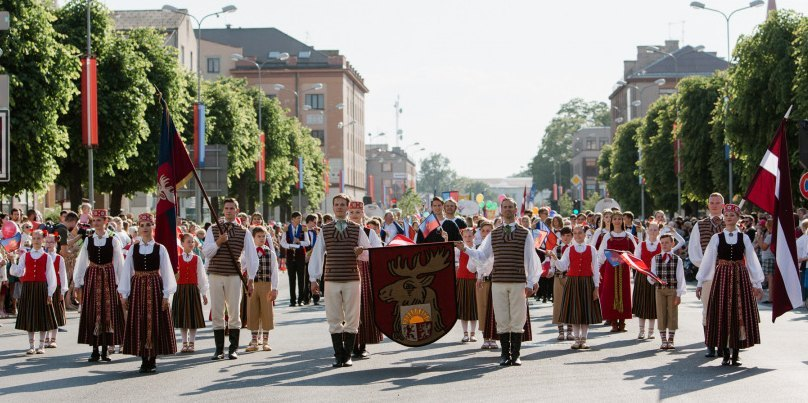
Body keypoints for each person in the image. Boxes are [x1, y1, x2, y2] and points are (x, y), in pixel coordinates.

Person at [462, 197, 540, 366]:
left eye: (510, 207)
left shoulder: (524, 233)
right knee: (502, 317)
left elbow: (531, 259)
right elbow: (483, 257)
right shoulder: (493, 234)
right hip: (498, 281)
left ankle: (516, 354)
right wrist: (466, 250)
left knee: (518, 318)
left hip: (518, 280)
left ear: (515, 209)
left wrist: (531, 282)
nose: (507, 210)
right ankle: (505, 354)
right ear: (501, 210)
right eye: (504, 207)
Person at [696, 204, 763, 366]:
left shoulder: (744, 237)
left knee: (738, 312)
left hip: (740, 276)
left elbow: (752, 261)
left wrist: (757, 283)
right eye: (726, 215)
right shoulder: (716, 238)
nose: (728, 217)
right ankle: (725, 353)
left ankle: (736, 353)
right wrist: (700, 282)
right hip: (723, 276)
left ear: (737, 218)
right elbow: (708, 261)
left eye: (732, 215)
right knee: (722, 312)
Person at [308, 194, 371, 368]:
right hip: (332, 278)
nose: (339, 207)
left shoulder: (357, 228)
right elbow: (317, 255)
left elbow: (369, 253)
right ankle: (338, 355)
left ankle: (348, 355)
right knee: (333, 317)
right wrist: (314, 278)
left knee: (352, 317)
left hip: (351, 277)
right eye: (336, 204)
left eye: (343, 204)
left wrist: (361, 252)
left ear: (348, 207)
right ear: (333, 207)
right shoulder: (325, 229)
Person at [118, 213, 177, 373]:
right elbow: (126, 271)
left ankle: (153, 357)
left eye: (148, 225)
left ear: (153, 227)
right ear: (138, 228)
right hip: (137, 287)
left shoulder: (160, 248)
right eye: (142, 225)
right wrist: (124, 293)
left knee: (155, 319)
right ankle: (144, 357)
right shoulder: (133, 248)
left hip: (155, 286)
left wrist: (166, 294)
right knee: (140, 319)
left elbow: (166, 271)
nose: (145, 228)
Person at [202, 198, 259, 361]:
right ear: (223, 210)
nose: (228, 211)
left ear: (236, 210)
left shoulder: (244, 231)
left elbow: (251, 256)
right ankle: (219, 349)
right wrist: (219, 242)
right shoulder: (213, 229)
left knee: (234, 312)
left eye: (232, 208)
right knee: (218, 312)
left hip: (234, 275)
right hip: (216, 274)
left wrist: (251, 278)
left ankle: (233, 349)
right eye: (226, 208)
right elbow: (206, 252)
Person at [73, 209, 126, 362]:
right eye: (94, 220)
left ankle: (105, 349)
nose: (96, 223)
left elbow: (119, 263)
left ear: (105, 222)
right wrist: (78, 282)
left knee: (107, 311)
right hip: (93, 276)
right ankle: (95, 349)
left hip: (108, 276)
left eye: (99, 220)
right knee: (93, 310)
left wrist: (120, 284)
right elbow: (82, 261)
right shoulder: (89, 240)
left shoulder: (113, 239)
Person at [550, 224, 601, 349]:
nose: (578, 235)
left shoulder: (592, 249)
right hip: (573, 282)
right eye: (576, 233)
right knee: (575, 312)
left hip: (587, 282)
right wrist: (555, 258)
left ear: (584, 235)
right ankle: (577, 339)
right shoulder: (569, 249)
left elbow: (596, 269)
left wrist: (596, 287)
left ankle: (583, 339)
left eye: (580, 233)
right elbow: (562, 266)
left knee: (585, 312)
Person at [687, 192, 725, 358]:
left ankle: (724, 343)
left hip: (727, 272)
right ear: (708, 205)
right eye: (712, 202)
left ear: (723, 205)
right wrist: (705, 266)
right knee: (708, 309)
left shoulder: (730, 222)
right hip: (708, 274)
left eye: (717, 202)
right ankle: (710, 343)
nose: (715, 205)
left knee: (726, 309)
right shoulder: (700, 225)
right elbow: (694, 250)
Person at [11, 230, 57, 355]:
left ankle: (41, 345)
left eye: (38, 238)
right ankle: (31, 345)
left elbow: (51, 276)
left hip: (41, 288)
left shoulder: (46, 257)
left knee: (42, 316)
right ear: (31, 239)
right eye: (34, 238)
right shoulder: (25, 255)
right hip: (28, 288)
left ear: (43, 240)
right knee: (30, 316)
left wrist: (50, 293)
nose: (36, 240)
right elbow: (19, 272)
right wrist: (12, 261)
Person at [349, 201, 383, 359]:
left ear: (363, 213)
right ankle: (349, 343)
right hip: (346, 271)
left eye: (357, 212)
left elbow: (378, 253)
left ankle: (361, 344)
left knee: (363, 306)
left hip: (364, 271)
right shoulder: (344, 230)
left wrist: (362, 253)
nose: (355, 216)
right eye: (352, 213)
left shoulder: (370, 232)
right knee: (347, 307)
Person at [597, 210, 637, 333]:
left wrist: (632, 258)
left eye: (620, 219)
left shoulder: (628, 236)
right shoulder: (608, 236)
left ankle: (622, 321)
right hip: (611, 267)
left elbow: (636, 251)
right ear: (612, 221)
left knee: (624, 292)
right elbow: (602, 253)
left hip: (624, 268)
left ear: (623, 221)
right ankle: (613, 322)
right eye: (615, 219)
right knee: (610, 293)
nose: (617, 221)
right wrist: (598, 267)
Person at [648, 234, 686, 350]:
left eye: (667, 242)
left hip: (672, 289)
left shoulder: (677, 259)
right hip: (659, 289)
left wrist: (679, 294)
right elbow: (652, 273)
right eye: (662, 243)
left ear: (672, 244)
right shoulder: (655, 258)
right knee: (661, 313)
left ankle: (671, 339)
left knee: (672, 313)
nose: (664, 245)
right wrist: (651, 278)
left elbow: (680, 277)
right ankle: (663, 339)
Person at [245, 226, 279, 352]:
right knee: (252, 311)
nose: (261, 239)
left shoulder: (270, 253)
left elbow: (274, 272)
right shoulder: (249, 253)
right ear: (253, 238)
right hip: (252, 285)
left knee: (267, 312)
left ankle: (265, 341)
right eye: (258, 236)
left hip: (266, 284)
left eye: (263, 236)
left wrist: (274, 288)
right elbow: (243, 266)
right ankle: (254, 341)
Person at [173, 233, 208, 353]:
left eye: (192, 241)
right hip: (181, 289)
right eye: (188, 241)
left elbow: (201, 276)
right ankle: (184, 342)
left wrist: (203, 293)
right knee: (183, 318)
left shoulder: (197, 258)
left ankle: (191, 342)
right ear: (182, 243)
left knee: (193, 318)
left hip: (193, 289)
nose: (191, 243)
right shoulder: (177, 259)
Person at [468, 220, 498, 349]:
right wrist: (474, 255)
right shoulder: (477, 247)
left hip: (496, 281)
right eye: (484, 231)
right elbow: (471, 268)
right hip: (483, 281)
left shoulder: (498, 246)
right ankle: (486, 337)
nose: (486, 233)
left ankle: (495, 337)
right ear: (480, 232)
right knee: (483, 308)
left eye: (489, 231)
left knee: (496, 309)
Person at [632, 222, 662, 340]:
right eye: (651, 229)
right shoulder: (641, 245)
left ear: (658, 232)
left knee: (653, 303)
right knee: (642, 302)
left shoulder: (661, 245)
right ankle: (641, 331)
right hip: (642, 275)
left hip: (656, 276)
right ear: (647, 231)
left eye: (655, 230)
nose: (653, 232)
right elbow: (636, 261)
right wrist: (643, 270)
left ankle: (651, 331)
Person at [280, 211, 311, 307]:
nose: (300, 220)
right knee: (291, 278)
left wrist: (299, 242)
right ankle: (292, 300)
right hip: (290, 255)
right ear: (292, 219)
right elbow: (282, 242)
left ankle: (300, 299)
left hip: (300, 255)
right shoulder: (286, 228)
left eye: (300, 218)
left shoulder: (303, 228)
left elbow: (308, 243)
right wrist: (289, 246)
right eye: (298, 218)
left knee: (301, 278)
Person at [44, 233, 67, 348]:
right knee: (45, 312)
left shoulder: (59, 258)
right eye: (47, 242)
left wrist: (63, 291)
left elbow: (63, 275)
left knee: (55, 312)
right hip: (44, 287)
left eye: (51, 242)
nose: (49, 244)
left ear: (56, 243)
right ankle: (46, 337)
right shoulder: (42, 256)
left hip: (56, 287)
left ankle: (53, 338)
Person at [550, 226, 573, 341]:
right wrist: (549, 271)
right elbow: (552, 265)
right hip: (558, 278)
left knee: (571, 303)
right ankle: (560, 331)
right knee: (558, 303)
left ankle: (570, 330)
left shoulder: (574, 248)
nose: (566, 238)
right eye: (563, 235)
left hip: (572, 279)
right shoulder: (556, 249)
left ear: (572, 236)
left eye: (568, 235)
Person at [455, 227, 478, 343]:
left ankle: (473, 333)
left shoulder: (477, 248)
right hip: (462, 278)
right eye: (465, 236)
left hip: (474, 279)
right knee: (463, 306)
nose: (468, 238)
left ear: (473, 236)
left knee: (473, 306)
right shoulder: (458, 249)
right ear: (462, 237)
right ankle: (465, 333)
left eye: (470, 236)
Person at [756, 217, 774, 304]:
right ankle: (772, 297)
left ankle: (771, 298)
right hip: (771, 258)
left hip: (768, 258)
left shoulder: (770, 236)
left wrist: (759, 239)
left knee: (770, 278)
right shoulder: (774, 235)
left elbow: (763, 247)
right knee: (770, 278)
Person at [305, 214, 322, 305]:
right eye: (314, 222)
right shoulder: (303, 231)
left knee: (316, 276)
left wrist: (319, 233)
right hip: (306, 255)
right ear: (309, 222)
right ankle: (306, 298)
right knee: (306, 278)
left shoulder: (318, 231)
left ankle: (316, 297)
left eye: (316, 222)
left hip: (316, 256)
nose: (316, 224)